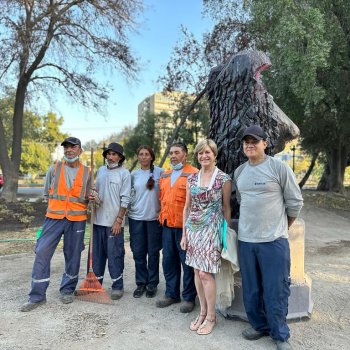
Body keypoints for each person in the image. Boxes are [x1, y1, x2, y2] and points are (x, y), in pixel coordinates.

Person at [234, 125, 303, 350]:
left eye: (254, 141)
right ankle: (258, 325)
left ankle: (280, 335)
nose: (249, 145)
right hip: (246, 241)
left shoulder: (279, 168)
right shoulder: (240, 172)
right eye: (246, 141)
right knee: (251, 288)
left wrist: (282, 226)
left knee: (276, 289)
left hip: (274, 242)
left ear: (265, 143)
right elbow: (241, 201)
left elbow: (295, 202)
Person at [20, 137, 91, 312]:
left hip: (77, 220)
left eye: (73, 147)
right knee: (42, 251)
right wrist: (57, 209)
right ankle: (37, 296)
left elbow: (89, 196)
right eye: (66, 147)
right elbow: (46, 194)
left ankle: (67, 290)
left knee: (73, 255)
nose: (69, 150)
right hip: (54, 218)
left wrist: (93, 198)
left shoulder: (87, 172)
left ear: (80, 150)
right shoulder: (54, 168)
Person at [180, 139, 231, 335]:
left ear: (214, 155)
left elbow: (227, 207)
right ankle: (202, 313)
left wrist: (225, 235)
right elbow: (187, 207)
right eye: (200, 153)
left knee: (205, 274)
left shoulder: (223, 179)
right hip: (193, 229)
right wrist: (184, 234)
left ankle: (211, 317)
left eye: (207, 152)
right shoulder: (191, 179)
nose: (204, 156)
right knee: (196, 273)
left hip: (212, 229)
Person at [156, 142, 198, 313]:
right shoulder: (165, 175)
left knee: (187, 263)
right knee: (168, 261)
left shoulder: (194, 173)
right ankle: (171, 294)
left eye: (177, 152)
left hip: (185, 228)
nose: (173, 156)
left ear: (185, 154)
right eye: (171, 152)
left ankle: (189, 298)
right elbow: (162, 199)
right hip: (167, 226)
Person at [89, 142, 131, 300]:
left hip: (113, 223)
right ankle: (96, 285)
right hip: (97, 221)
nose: (111, 157)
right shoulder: (100, 171)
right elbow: (97, 193)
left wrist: (119, 220)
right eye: (109, 154)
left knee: (115, 255)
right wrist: (93, 196)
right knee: (98, 256)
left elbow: (125, 199)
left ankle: (117, 286)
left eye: (114, 154)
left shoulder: (124, 174)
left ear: (120, 157)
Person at [128, 146, 164, 298]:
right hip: (136, 218)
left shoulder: (160, 173)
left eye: (146, 154)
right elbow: (128, 195)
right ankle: (141, 283)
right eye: (140, 154)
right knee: (138, 252)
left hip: (154, 219)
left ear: (151, 157)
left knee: (153, 253)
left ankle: (152, 284)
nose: (143, 157)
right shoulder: (133, 175)